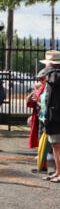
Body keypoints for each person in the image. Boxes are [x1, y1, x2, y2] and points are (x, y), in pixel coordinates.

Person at [40, 51, 60, 183]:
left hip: (56, 116)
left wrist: (49, 68)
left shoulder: (55, 75)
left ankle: (59, 173)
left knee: (57, 146)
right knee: (55, 146)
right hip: (54, 115)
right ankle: (58, 171)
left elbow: (41, 75)